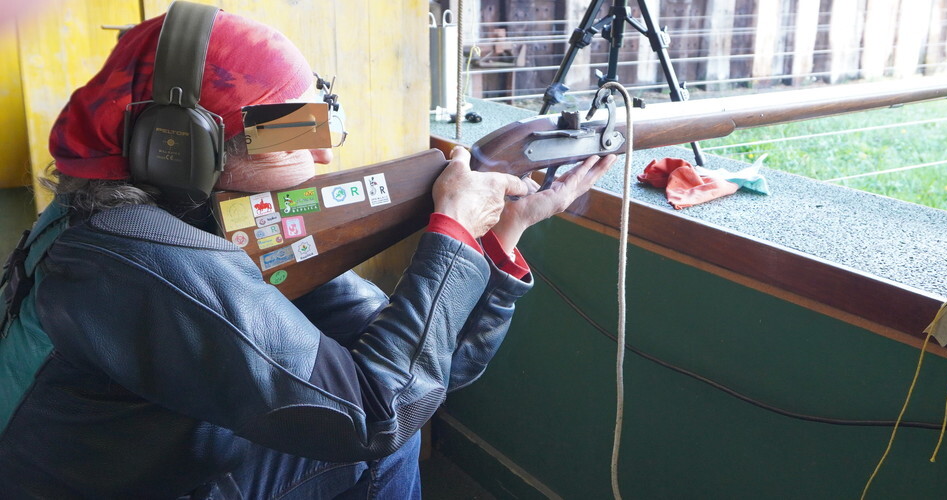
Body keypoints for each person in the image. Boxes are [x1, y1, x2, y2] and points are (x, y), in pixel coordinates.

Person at [0, 6, 615, 499]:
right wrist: (449, 231)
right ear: (181, 147)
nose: (323, 156)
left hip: (156, 454)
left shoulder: (183, 211)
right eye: (292, 132)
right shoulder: (144, 262)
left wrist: (497, 232)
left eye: (320, 123)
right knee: (382, 438)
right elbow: (381, 412)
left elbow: (423, 369)